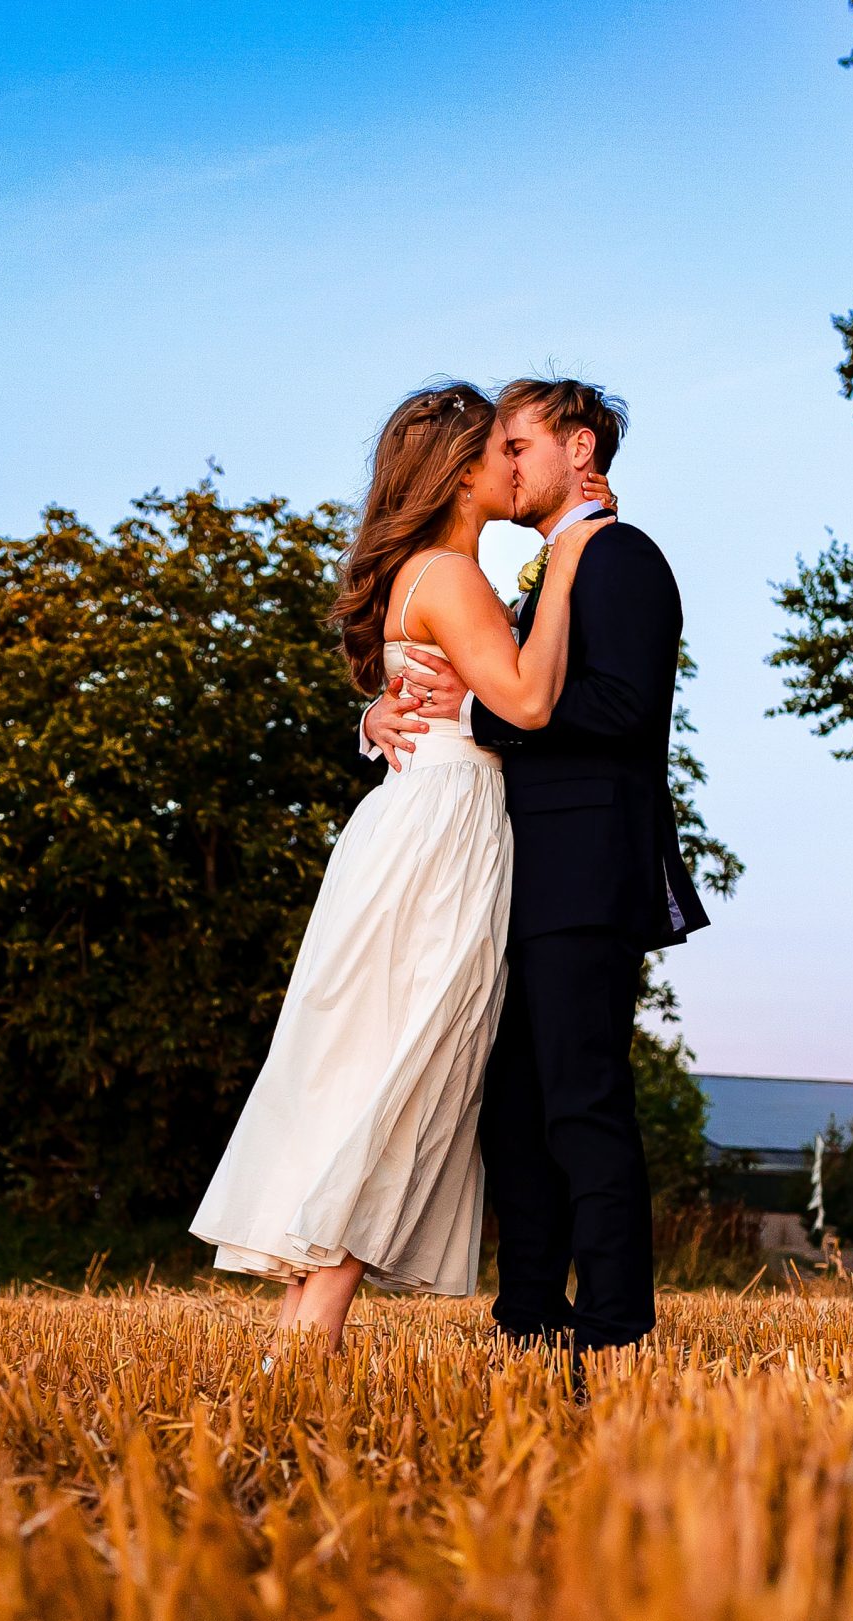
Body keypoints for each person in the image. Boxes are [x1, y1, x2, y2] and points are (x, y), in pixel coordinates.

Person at [188, 381, 609, 1351]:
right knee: (412, 1062)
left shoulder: (422, 578)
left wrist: (372, 715)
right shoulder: (453, 579)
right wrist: (572, 557)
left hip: (406, 820)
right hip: (446, 830)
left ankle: (305, 1320)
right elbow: (528, 703)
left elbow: (445, 695)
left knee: (372, 1062)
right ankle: (321, 1320)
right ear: (463, 472)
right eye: (502, 451)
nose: (518, 464)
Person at [365, 377, 709, 1359]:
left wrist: (474, 719)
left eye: (517, 445)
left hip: (582, 871)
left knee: (581, 1099)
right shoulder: (531, 581)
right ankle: (526, 1315)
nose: (501, 465)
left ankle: (610, 1330)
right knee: (512, 1107)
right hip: (506, 870)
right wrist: (382, 715)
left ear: (581, 451)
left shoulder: (620, 558)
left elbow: (622, 710)